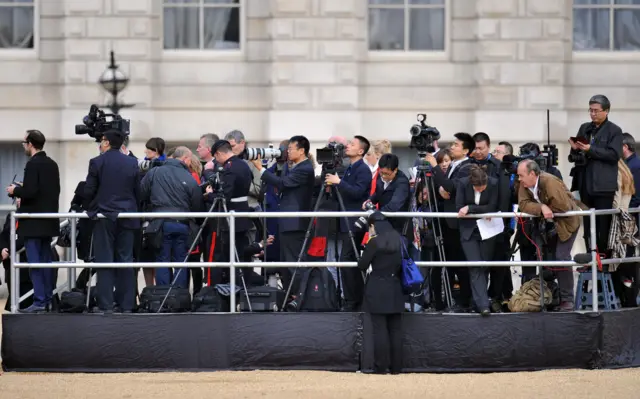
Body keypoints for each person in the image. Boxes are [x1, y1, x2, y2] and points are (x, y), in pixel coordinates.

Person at [84, 130, 141, 313]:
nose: (100, 144)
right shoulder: (132, 163)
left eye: (101, 140)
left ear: (106, 142)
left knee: (104, 260)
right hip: (128, 215)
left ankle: (106, 305)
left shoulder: (97, 162)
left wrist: (91, 208)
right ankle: (127, 305)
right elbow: (138, 191)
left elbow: (89, 191)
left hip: (104, 215)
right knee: (126, 260)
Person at [251, 135, 316, 294]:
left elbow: (283, 183)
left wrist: (261, 168)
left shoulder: (305, 168)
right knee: (287, 262)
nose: (287, 152)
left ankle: (299, 296)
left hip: (295, 223)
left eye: (290, 149)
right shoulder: (293, 166)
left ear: (301, 151)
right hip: (288, 222)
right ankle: (290, 295)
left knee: (294, 262)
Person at [6, 130, 60, 313]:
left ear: (30, 143)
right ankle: (47, 300)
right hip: (48, 222)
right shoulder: (52, 164)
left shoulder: (32, 164)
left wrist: (15, 190)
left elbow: (31, 192)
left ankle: (39, 302)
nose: (23, 146)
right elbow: (51, 192)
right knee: (46, 263)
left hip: (33, 224)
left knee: (35, 264)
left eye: (24, 142)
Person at [517, 160, 581, 311]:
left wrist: (546, 207)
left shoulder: (550, 181)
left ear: (532, 174)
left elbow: (563, 206)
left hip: (567, 224)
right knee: (547, 258)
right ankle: (552, 295)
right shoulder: (524, 184)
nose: (519, 179)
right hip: (547, 224)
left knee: (561, 258)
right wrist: (542, 207)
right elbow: (523, 204)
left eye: (521, 175)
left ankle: (568, 299)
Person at [140, 146, 204, 289]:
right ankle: (178, 297)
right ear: (185, 158)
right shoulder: (189, 177)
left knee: (162, 260)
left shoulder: (154, 172)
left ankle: (163, 297)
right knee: (180, 261)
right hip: (182, 223)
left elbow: (141, 194)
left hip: (159, 224)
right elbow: (198, 205)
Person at [568, 94, 623, 255]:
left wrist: (590, 149)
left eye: (596, 111)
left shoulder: (614, 130)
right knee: (587, 225)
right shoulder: (585, 128)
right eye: (590, 110)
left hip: (603, 187)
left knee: (602, 225)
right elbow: (578, 156)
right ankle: (589, 256)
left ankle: (603, 260)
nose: (593, 114)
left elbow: (614, 155)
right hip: (585, 183)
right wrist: (575, 148)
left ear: (606, 111)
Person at [324, 135, 372, 311]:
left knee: (348, 259)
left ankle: (354, 300)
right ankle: (353, 298)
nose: (347, 147)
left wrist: (339, 182)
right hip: (345, 220)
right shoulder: (350, 167)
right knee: (347, 259)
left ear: (361, 151)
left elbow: (358, 193)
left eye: (352, 144)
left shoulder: (363, 169)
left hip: (355, 221)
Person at [357, 211, 404, 374]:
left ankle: (381, 367)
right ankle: (397, 368)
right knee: (396, 329)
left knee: (380, 329)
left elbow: (362, 265)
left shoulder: (374, 242)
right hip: (396, 285)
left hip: (377, 286)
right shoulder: (399, 239)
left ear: (372, 225)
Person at [206, 140, 254, 285]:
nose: (217, 161)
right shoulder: (243, 165)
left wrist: (209, 195)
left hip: (231, 216)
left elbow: (225, 195)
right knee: (238, 254)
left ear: (219, 153)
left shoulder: (230, 168)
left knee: (229, 256)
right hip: (242, 213)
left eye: (216, 157)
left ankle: (232, 290)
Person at [456, 165, 498, 316]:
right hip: (468, 231)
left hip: (488, 229)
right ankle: (483, 305)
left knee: (485, 266)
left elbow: (492, 206)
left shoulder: (493, 183)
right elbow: (459, 207)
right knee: (475, 266)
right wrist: (481, 210)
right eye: (477, 188)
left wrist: (471, 208)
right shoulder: (462, 183)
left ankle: (478, 300)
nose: (480, 190)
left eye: (483, 188)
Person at [364, 153, 410, 235]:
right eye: (381, 173)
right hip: (383, 223)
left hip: (398, 227)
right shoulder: (380, 175)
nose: (383, 176)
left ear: (395, 170)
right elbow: (378, 193)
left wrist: (376, 214)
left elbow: (394, 205)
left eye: (387, 174)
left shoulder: (402, 182)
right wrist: (370, 200)